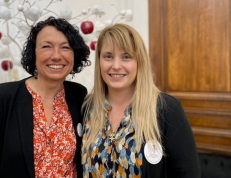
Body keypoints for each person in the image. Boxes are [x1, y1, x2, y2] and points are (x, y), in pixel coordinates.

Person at [0, 16, 91, 178]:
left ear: (74, 54)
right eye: (46, 46)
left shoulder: (78, 94)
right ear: (33, 53)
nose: (56, 56)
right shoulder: (2, 97)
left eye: (65, 47)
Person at [81, 23, 201, 178]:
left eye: (126, 57)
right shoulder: (86, 108)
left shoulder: (166, 109)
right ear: (99, 61)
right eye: (108, 56)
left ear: (139, 62)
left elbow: (187, 173)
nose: (116, 66)